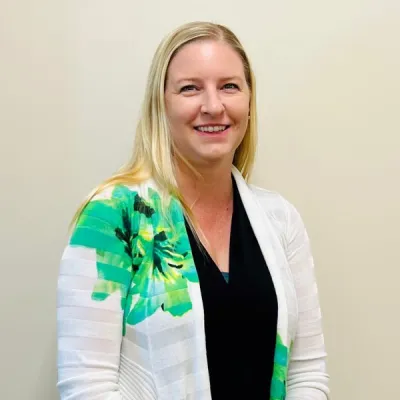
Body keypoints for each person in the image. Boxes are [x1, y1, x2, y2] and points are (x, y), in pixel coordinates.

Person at [57, 21, 330, 400]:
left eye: (229, 86)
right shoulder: (112, 217)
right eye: (190, 88)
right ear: (161, 104)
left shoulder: (280, 220)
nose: (213, 106)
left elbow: (307, 372)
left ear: (249, 102)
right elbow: (87, 388)